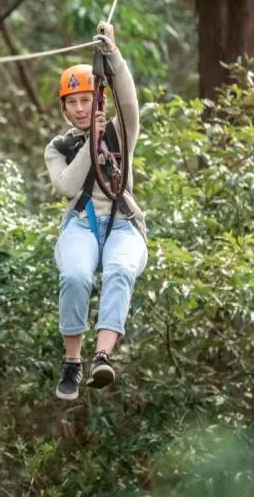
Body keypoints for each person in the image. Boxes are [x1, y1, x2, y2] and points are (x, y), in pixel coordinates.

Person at [44, 21, 148, 401]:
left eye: (86, 100)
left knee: (120, 270)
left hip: (123, 222)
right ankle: (72, 362)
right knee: (74, 275)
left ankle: (102, 355)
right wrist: (90, 141)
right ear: (64, 108)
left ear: (98, 101)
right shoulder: (58, 147)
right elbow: (69, 186)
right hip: (82, 222)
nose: (79, 108)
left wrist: (113, 54)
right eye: (72, 102)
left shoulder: (121, 131)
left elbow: (130, 100)